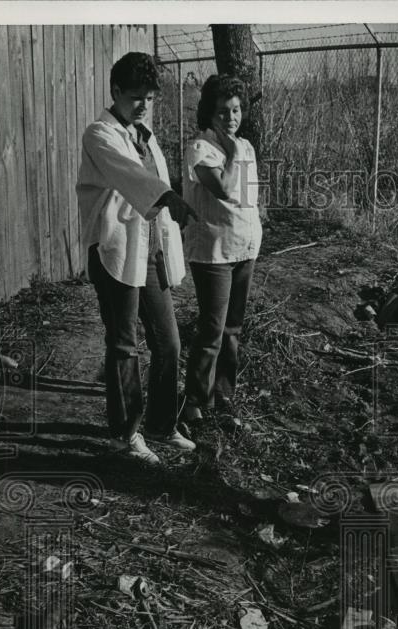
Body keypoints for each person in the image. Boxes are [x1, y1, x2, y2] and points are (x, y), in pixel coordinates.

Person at [77, 51, 197, 464]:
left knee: (169, 342)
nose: (143, 105)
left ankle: (162, 425)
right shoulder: (100, 133)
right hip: (115, 249)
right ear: (115, 92)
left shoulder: (145, 134)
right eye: (135, 97)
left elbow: (156, 175)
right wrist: (168, 197)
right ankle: (125, 435)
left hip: (148, 250)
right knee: (124, 343)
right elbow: (132, 177)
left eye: (149, 97)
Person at [181, 74, 262, 433]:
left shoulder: (246, 146)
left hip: (244, 247)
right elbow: (224, 189)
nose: (231, 117)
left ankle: (224, 398)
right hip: (214, 252)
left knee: (233, 329)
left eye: (237, 109)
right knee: (212, 330)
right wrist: (228, 150)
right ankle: (195, 403)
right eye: (223, 111)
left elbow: (248, 197)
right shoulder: (202, 148)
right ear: (209, 113)